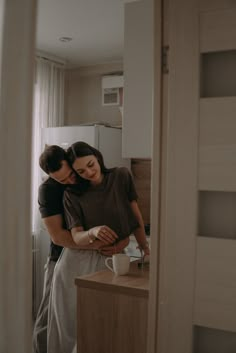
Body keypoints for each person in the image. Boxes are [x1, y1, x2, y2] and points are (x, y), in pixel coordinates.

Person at [47, 142, 149, 353]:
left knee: (105, 324)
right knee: (70, 326)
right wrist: (92, 232)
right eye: (81, 171)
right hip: (75, 262)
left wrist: (143, 245)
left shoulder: (121, 176)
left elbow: (135, 215)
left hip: (110, 260)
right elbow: (76, 236)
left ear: (97, 157)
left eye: (91, 165)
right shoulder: (72, 195)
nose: (89, 173)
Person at [32, 145, 80, 353]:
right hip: (59, 259)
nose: (70, 180)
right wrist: (94, 243)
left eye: (70, 174)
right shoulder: (48, 190)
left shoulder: (83, 177)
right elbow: (58, 236)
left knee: (74, 319)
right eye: (63, 180)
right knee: (48, 317)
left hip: (86, 258)